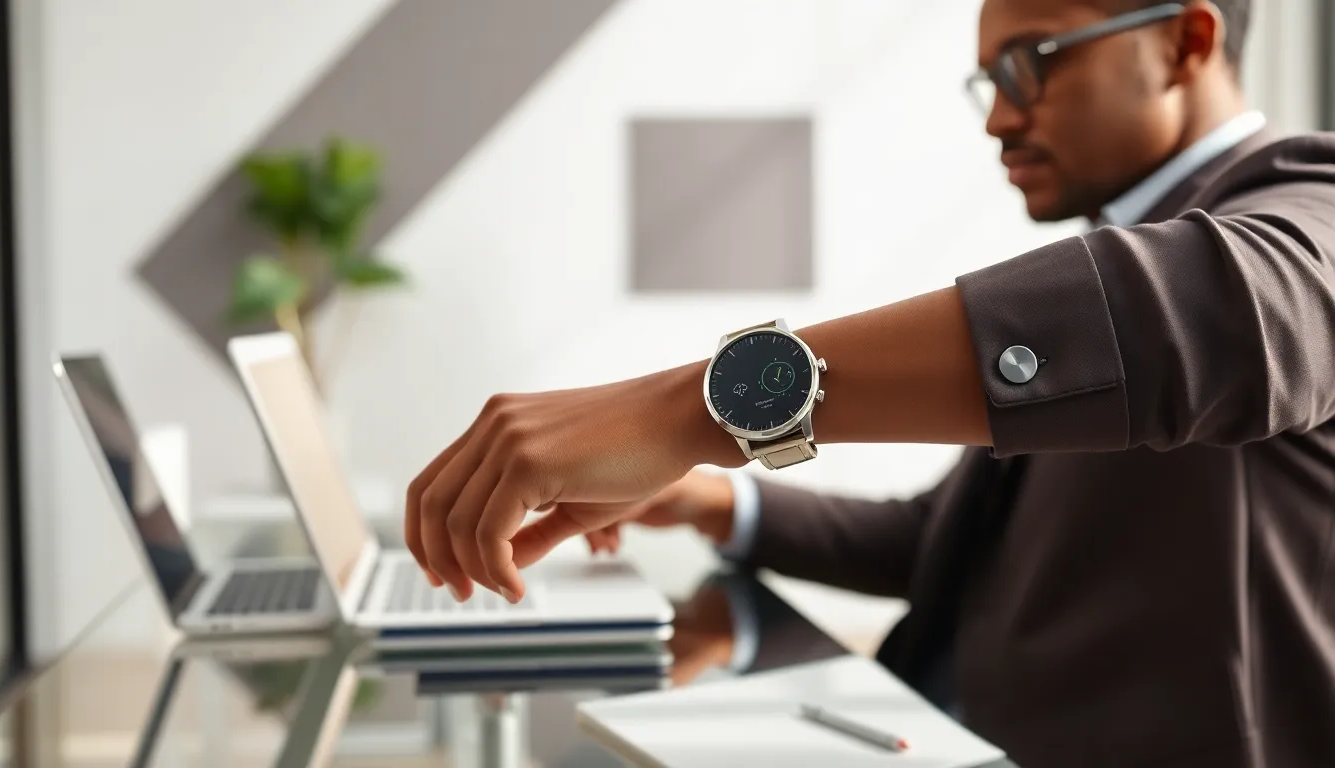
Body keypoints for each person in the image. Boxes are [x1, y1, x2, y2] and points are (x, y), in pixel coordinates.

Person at [406, 0, 1335, 765]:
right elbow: (944, 539)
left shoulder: (1305, 204)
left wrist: (684, 411)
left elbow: (1222, 307)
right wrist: (714, 503)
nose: (999, 116)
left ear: (1187, 41)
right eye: (990, 80)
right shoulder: (1105, 260)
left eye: (1030, 64)